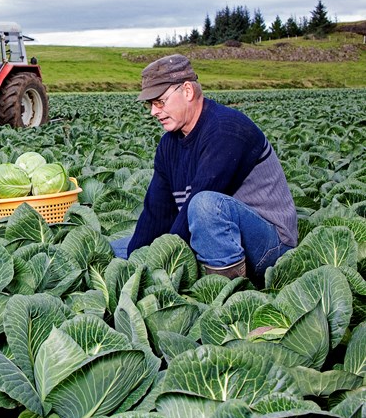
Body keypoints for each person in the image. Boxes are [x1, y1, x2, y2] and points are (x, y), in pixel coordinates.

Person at [111, 54, 298, 280]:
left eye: (160, 101)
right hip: (211, 237)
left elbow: (200, 202)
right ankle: (198, 270)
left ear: (187, 91)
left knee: (205, 205)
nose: (154, 112)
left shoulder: (226, 130)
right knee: (117, 250)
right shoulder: (168, 145)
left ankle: (224, 290)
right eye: (150, 104)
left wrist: (166, 261)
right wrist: (137, 259)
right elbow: (156, 211)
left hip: (269, 246)